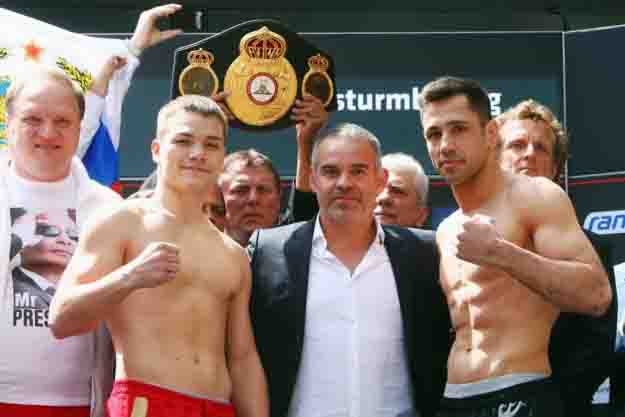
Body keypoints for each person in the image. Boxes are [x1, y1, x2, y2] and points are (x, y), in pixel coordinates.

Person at [49, 95, 268, 417]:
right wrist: (129, 277)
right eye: (183, 140)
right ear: (156, 150)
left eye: (211, 144)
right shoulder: (121, 223)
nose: (197, 153)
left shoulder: (232, 253)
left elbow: (242, 357)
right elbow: (62, 319)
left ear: (222, 156)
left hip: (218, 408)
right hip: (146, 402)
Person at [417, 76, 612, 417]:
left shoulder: (534, 197)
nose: (445, 144)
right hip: (453, 399)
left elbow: (596, 295)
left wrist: (500, 253)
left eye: (459, 129)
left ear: (490, 134)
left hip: (518, 392)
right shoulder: (446, 230)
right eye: (434, 134)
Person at [249, 123, 452, 417]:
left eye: (358, 171)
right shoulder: (270, 251)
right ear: (313, 179)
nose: (344, 182)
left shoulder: (425, 254)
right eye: (331, 172)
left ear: (380, 180)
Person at [0, 64, 122, 417]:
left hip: (79, 403)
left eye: (63, 121)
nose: (48, 132)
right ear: (9, 125)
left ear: (79, 127)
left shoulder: (110, 209)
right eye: (32, 119)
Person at [495, 99, 618, 417]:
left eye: (541, 148)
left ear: (555, 168)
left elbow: (595, 348)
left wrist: (543, 404)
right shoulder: (463, 237)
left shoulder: (591, 248)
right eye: (517, 145)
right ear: (494, 158)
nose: (530, 154)